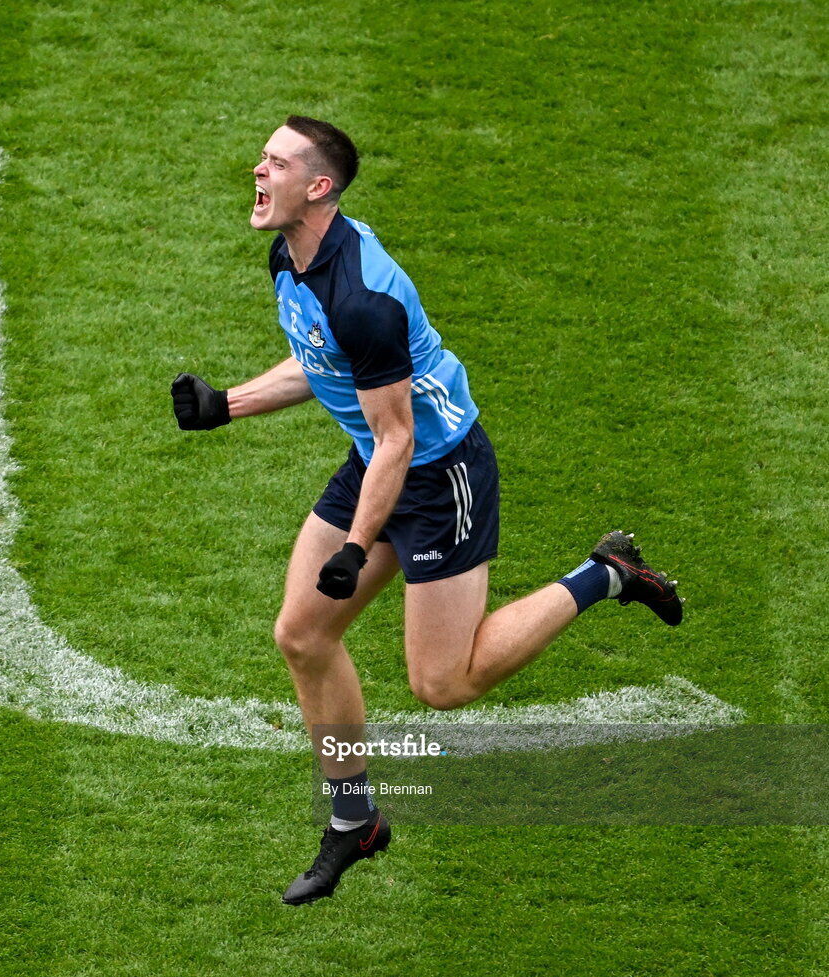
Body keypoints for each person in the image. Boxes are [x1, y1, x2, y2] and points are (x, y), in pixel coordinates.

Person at [171, 116, 683, 905]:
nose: (256, 170)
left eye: (274, 162)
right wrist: (226, 405)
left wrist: (355, 545)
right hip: (375, 460)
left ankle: (605, 575)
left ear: (320, 188)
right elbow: (321, 365)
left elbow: (400, 435)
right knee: (302, 635)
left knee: (441, 684)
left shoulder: (363, 297)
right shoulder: (292, 251)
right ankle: (355, 823)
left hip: (438, 476)